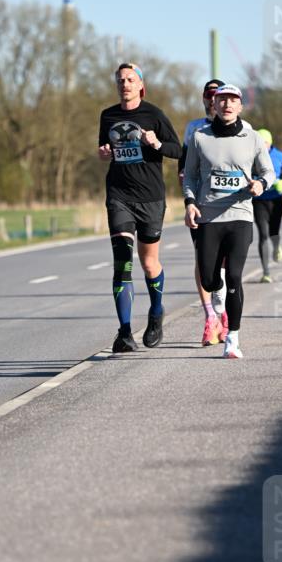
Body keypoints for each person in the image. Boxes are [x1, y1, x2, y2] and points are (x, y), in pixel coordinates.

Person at [183, 84, 275, 358]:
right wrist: (189, 203)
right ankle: (218, 299)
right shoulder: (200, 137)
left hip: (240, 215)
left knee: (234, 275)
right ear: (214, 104)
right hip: (209, 216)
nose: (226, 104)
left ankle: (232, 337)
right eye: (221, 100)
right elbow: (190, 176)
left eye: (232, 100)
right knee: (211, 280)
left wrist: (260, 184)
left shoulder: (253, 137)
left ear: (239, 106)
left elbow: (268, 171)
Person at [98, 63, 181, 352]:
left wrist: (156, 142)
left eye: (130, 79)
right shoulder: (108, 116)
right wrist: (103, 153)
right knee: (123, 262)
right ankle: (124, 332)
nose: (125, 84)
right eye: (121, 80)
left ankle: (156, 314)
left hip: (151, 197)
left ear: (140, 85)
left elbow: (177, 149)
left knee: (148, 263)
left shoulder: (154, 114)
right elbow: (104, 152)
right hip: (119, 195)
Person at [178, 78, 228, 345]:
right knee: (203, 259)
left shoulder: (235, 126)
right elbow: (183, 164)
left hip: (228, 205)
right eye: (209, 95)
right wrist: (188, 196)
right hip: (200, 203)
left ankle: (225, 311)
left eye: (218, 95)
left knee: (225, 262)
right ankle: (210, 317)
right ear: (204, 99)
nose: (213, 100)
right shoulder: (194, 128)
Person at [254, 128, 282, 282]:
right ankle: (266, 272)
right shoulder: (251, 156)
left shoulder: (279, 156)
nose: (263, 147)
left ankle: (276, 247)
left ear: (270, 143)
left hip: (276, 199)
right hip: (259, 201)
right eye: (260, 143)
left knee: (273, 233)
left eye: (265, 143)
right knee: (263, 235)